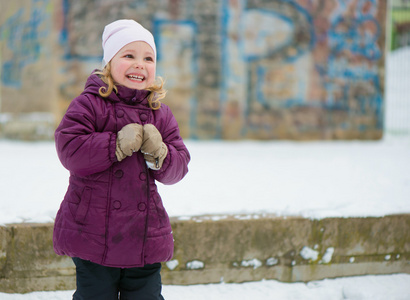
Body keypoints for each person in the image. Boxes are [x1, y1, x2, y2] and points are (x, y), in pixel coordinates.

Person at [53, 19, 190, 299]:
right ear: (109, 64)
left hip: (144, 237)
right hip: (92, 232)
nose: (140, 64)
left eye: (148, 58)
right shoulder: (89, 103)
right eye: (129, 55)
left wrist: (161, 153)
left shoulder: (159, 113)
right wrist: (115, 144)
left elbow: (179, 167)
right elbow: (70, 149)